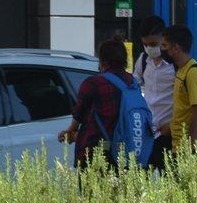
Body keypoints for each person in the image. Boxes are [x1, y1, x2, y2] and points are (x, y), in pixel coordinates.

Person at [58, 37, 137, 168]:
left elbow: (79, 114)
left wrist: (70, 132)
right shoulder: (132, 82)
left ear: (103, 60)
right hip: (126, 153)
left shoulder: (93, 83)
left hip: (97, 153)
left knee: (93, 188)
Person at [161, 25, 197, 153]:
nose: (162, 49)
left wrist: (190, 147)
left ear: (176, 48)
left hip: (192, 148)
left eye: (165, 46)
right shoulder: (181, 71)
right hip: (178, 145)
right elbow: (184, 109)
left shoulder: (193, 73)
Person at [134, 15, 175, 169]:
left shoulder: (174, 64)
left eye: (153, 44)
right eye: (145, 44)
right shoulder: (143, 60)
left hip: (168, 134)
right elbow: (134, 85)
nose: (149, 48)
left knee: (169, 182)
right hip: (146, 134)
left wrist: (173, 125)